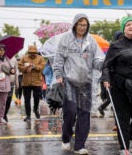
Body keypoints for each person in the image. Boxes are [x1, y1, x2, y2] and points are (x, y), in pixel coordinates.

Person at [53, 13, 104, 155]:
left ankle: (80, 145)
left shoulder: (91, 41)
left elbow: (95, 60)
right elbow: (59, 59)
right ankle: (66, 137)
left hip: (86, 82)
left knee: (84, 114)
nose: (82, 27)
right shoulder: (66, 39)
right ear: (75, 24)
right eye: (80, 24)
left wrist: (102, 64)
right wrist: (59, 75)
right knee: (70, 112)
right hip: (69, 81)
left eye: (85, 25)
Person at [102, 16, 132, 155]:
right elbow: (106, 64)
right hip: (120, 87)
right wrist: (106, 78)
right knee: (122, 118)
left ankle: (130, 137)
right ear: (124, 29)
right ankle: (124, 148)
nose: (131, 26)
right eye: (128, 24)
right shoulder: (116, 46)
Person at [98, 30, 123, 118]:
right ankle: (102, 107)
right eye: (120, 37)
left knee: (115, 98)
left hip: (119, 78)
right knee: (111, 97)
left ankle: (114, 111)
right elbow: (106, 65)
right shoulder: (113, 49)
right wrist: (106, 78)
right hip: (110, 78)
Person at [18, 45, 46, 122]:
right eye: (31, 52)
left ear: (36, 52)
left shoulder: (40, 58)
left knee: (36, 98)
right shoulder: (24, 58)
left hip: (37, 82)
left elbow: (42, 66)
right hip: (26, 82)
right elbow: (19, 67)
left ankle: (35, 109)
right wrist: (26, 68)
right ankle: (28, 115)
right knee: (27, 100)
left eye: (34, 53)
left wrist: (34, 66)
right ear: (28, 52)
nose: (32, 54)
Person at [3, 56, 19, 122]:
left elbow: (16, 71)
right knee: (3, 99)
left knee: (9, 100)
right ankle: (1, 115)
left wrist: (16, 82)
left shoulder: (14, 59)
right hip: (3, 82)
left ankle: (5, 114)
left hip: (11, 82)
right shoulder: (0, 58)